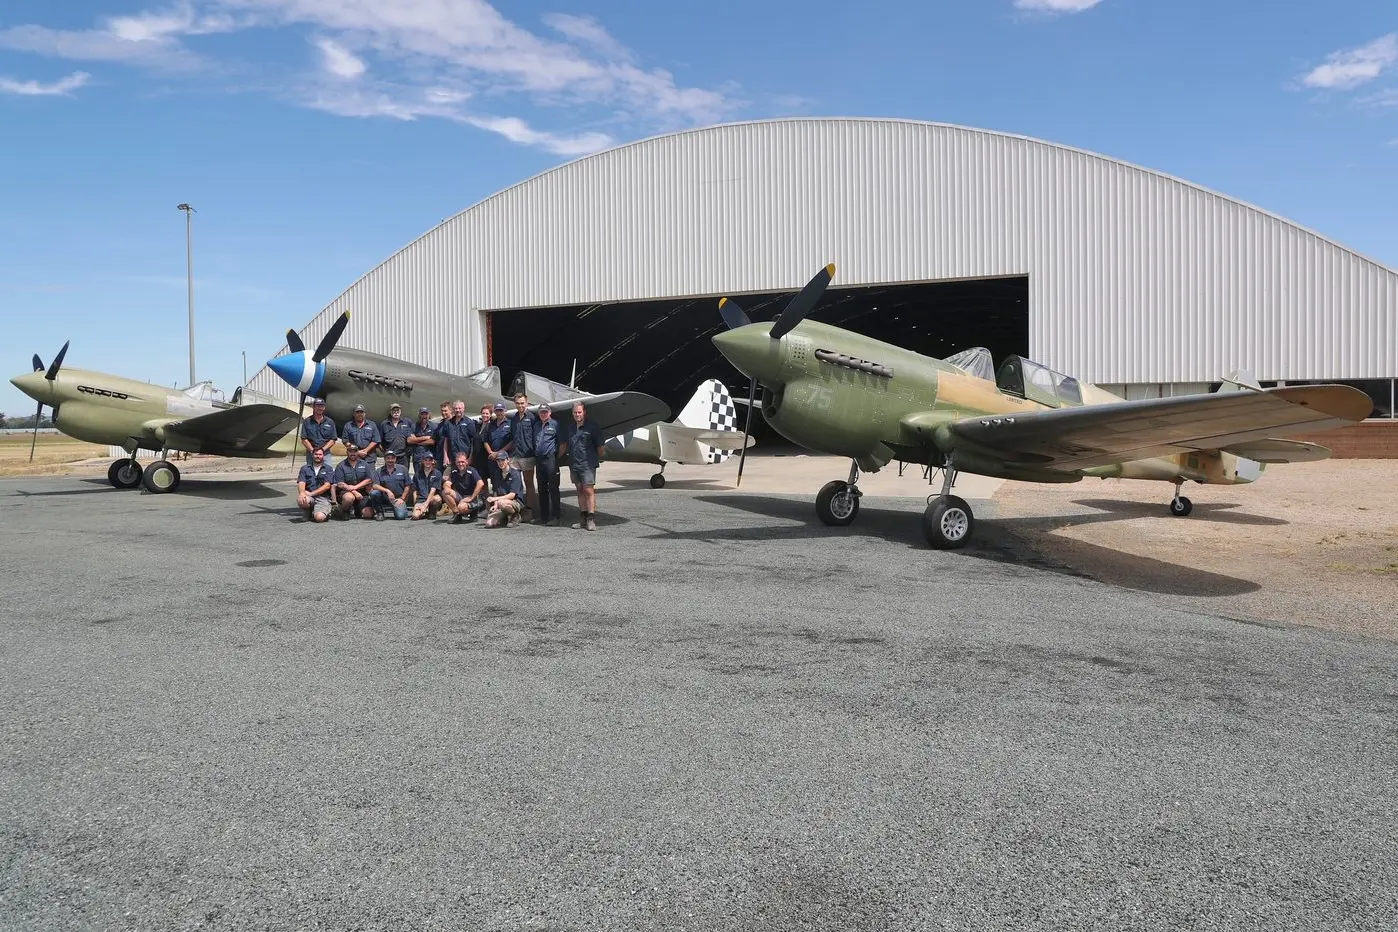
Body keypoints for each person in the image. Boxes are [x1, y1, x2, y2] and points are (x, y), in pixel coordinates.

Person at [561, 401, 605, 530]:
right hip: (574, 464)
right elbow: (565, 446)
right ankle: (583, 519)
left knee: (588, 490)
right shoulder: (570, 428)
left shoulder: (593, 427)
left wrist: (594, 459)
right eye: (575, 412)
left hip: (587, 464)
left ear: (584, 412)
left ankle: (591, 519)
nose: (577, 414)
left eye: (579, 412)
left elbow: (601, 447)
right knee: (579, 490)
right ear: (572, 414)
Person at [507, 392, 540, 519]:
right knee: (516, 483)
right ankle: (517, 507)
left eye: (522, 403)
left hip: (528, 455)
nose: (520, 405)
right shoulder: (514, 418)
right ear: (515, 404)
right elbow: (513, 438)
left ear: (526, 403)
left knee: (529, 482)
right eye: (518, 403)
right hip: (516, 456)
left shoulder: (532, 417)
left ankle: (530, 509)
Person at [532, 402, 562, 526]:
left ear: (549, 412)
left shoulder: (555, 424)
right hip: (539, 460)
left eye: (545, 412)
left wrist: (555, 458)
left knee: (553, 488)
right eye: (541, 412)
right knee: (542, 488)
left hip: (551, 459)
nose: (543, 414)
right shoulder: (537, 425)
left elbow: (563, 444)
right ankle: (543, 516)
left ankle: (556, 516)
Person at [442, 451, 486, 523]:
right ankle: (457, 514)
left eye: (462, 462)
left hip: (472, 497)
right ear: (455, 462)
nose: (460, 464)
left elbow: (481, 483)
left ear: (467, 461)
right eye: (458, 462)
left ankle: (473, 512)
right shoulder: (454, 472)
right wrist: (447, 487)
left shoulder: (472, 470)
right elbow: (447, 483)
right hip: (461, 496)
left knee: (461, 507)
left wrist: (471, 498)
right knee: (445, 492)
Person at [332, 443, 373, 518]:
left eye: (354, 451)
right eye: (350, 451)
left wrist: (355, 487)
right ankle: (343, 511)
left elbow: (369, 479)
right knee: (349, 498)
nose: (353, 453)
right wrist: (354, 491)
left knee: (368, 515)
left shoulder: (365, 464)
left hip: (362, 493)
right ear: (347, 452)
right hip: (345, 492)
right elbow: (340, 483)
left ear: (357, 452)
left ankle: (358, 511)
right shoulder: (341, 466)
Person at [366, 450, 410, 519]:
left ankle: (400, 509)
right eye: (388, 458)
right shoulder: (379, 471)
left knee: (401, 516)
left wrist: (402, 498)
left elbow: (408, 485)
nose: (390, 460)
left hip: (398, 499)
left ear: (395, 459)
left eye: (392, 458)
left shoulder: (403, 469)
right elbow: (375, 485)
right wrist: (387, 491)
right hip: (384, 497)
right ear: (384, 459)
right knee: (374, 493)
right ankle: (379, 513)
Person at [484, 456, 526, 528]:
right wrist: (495, 505)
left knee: (502, 503)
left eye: (503, 460)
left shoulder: (515, 473)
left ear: (508, 460)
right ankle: (505, 517)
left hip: (515, 502)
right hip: (501, 502)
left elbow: (512, 495)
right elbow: (496, 491)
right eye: (498, 461)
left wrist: (495, 499)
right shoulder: (497, 473)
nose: (500, 463)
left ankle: (515, 516)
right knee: (489, 524)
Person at [296, 446, 334, 522]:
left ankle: (323, 512)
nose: (318, 456)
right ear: (312, 455)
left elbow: (327, 486)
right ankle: (308, 511)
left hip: (323, 497)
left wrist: (311, 494)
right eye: (316, 454)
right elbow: (301, 482)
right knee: (302, 499)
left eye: (320, 454)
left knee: (319, 518)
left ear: (323, 456)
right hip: (309, 496)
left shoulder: (328, 468)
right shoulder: (305, 468)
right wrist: (302, 493)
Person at [483, 401, 513, 492]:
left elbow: (513, 441)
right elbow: (485, 441)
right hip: (492, 459)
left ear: (505, 411)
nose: (499, 413)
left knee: (507, 481)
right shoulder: (490, 425)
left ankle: (507, 502)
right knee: (495, 482)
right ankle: (495, 502)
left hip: (505, 458)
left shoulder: (510, 424)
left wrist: (499, 453)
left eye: (501, 410)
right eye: (497, 411)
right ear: (494, 412)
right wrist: (491, 453)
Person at [341, 404, 381, 468]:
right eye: (357, 412)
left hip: (369, 459)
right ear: (354, 414)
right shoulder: (348, 426)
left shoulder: (372, 425)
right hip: (354, 458)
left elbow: (376, 440)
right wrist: (357, 452)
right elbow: (345, 441)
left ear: (364, 414)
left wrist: (366, 450)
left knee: (370, 477)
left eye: (361, 412)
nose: (359, 414)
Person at [300, 398, 337, 468]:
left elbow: (333, 440)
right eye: (318, 406)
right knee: (311, 474)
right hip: (311, 453)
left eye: (322, 406)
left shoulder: (330, 422)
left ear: (324, 408)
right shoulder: (307, 422)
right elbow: (304, 439)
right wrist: (313, 451)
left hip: (325, 453)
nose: (320, 408)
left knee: (328, 473)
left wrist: (322, 450)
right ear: (313, 407)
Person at [409, 451, 444, 520]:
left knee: (437, 499)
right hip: (421, 499)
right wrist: (415, 504)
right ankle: (425, 512)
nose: (428, 462)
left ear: (433, 461)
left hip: (431, 499)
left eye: (430, 460)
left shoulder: (437, 473)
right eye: (426, 460)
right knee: (415, 516)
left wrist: (425, 505)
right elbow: (415, 491)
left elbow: (433, 491)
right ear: (422, 461)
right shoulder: (417, 474)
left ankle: (432, 512)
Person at [407, 406, 437, 477]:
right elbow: (409, 440)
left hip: (429, 458)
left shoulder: (433, 427)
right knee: (418, 478)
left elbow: (432, 441)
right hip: (418, 458)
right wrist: (425, 437)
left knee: (430, 477)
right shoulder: (414, 426)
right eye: (422, 414)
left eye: (426, 414)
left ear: (429, 415)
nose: (424, 416)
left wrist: (416, 440)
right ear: (419, 415)